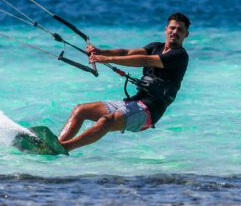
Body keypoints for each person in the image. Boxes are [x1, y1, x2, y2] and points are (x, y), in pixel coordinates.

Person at [58, 13, 191, 152]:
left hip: (149, 110)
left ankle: (64, 148)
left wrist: (107, 59)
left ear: (186, 34)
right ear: (166, 29)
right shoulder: (155, 46)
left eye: (180, 30)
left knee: (106, 121)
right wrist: (101, 51)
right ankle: (56, 144)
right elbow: (126, 52)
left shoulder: (179, 55)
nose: (175, 32)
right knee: (81, 110)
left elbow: (144, 60)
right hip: (134, 102)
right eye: (172, 28)